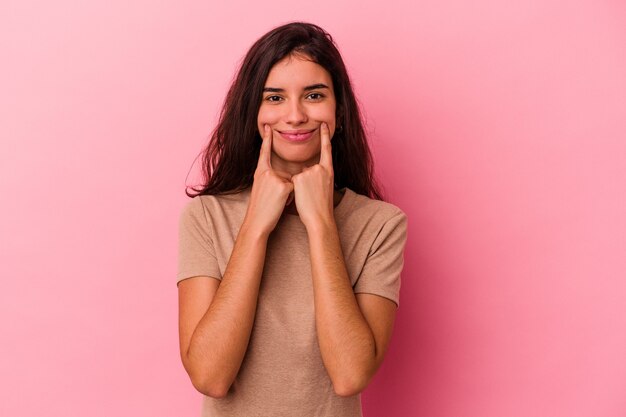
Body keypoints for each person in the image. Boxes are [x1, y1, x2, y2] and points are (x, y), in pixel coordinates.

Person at [176, 21, 408, 417]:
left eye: (314, 95)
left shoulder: (381, 225)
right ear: (253, 111)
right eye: (275, 97)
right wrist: (254, 226)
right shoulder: (207, 217)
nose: (296, 115)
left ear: (339, 108)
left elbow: (350, 375)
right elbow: (210, 377)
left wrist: (321, 224)